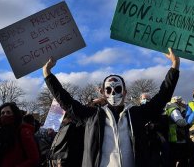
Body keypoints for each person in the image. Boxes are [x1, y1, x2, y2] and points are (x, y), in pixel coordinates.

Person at [42, 47, 180, 167]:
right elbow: (66, 101)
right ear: (103, 93)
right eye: (109, 90)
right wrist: (48, 75)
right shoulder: (92, 116)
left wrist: (174, 66)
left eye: (118, 89)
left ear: (125, 92)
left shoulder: (136, 114)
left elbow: (162, 97)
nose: (113, 93)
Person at [0, 102, 40, 167]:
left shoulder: (23, 132)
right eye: (2, 113)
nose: (5, 115)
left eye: (8, 112)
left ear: (15, 114)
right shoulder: (1, 134)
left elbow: (34, 159)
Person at [164, 96, 189, 167]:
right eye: (180, 101)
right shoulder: (174, 109)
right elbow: (180, 122)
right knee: (182, 162)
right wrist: (188, 120)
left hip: (174, 138)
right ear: (177, 102)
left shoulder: (169, 108)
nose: (182, 103)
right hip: (178, 138)